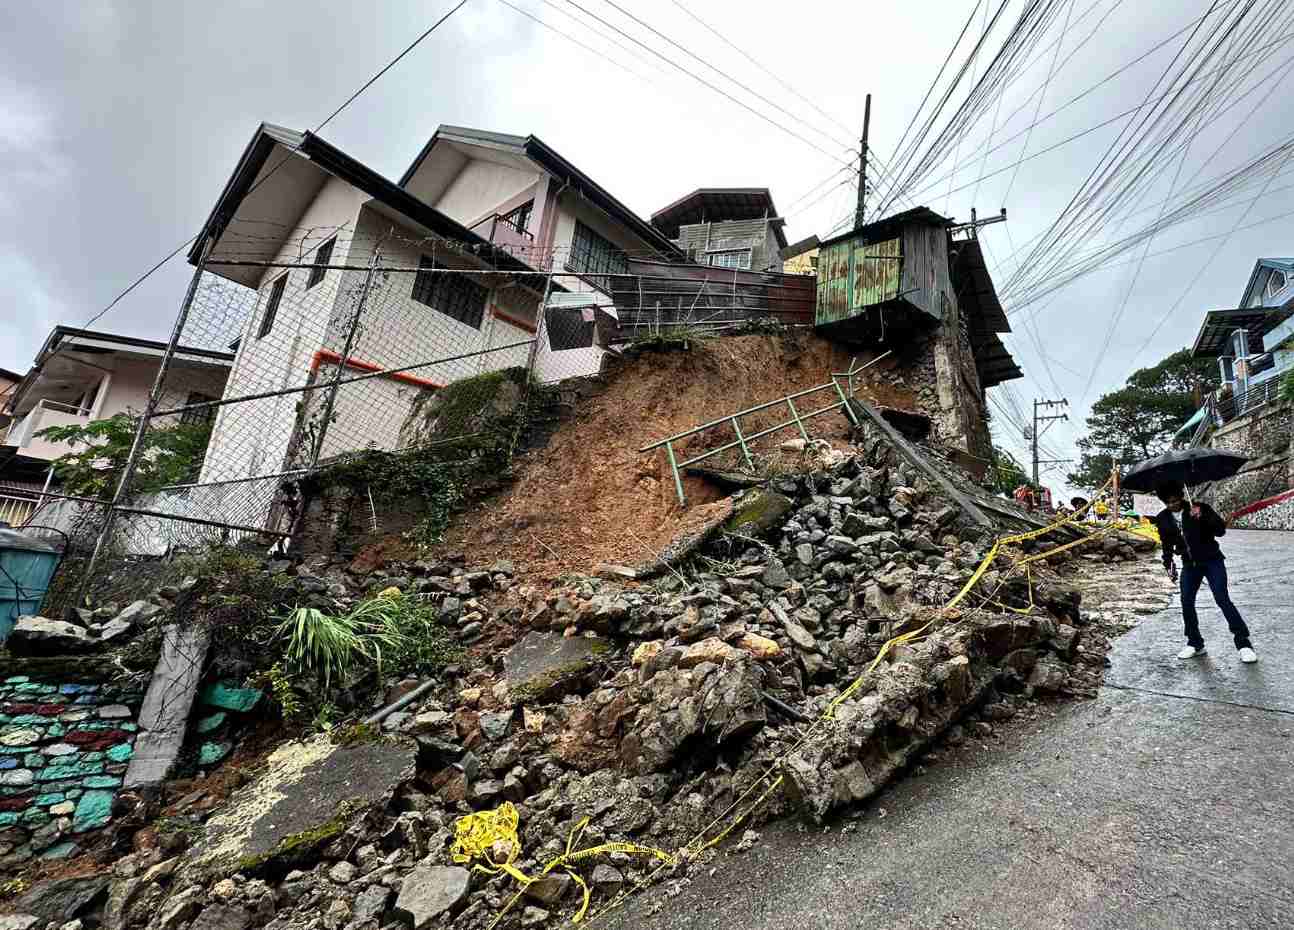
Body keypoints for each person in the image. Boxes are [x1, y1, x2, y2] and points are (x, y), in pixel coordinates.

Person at [1153, 479, 1257, 664]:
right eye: (1168, 502)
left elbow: (1220, 531)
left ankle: (1244, 644)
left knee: (1222, 599)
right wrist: (1168, 565)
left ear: (1181, 496)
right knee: (1186, 601)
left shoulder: (1200, 508)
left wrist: (1203, 517)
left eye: (1175, 500)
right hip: (1190, 565)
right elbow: (1166, 545)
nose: (1173, 505)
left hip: (1212, 560)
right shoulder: (1163, 518)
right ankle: (1195, 643)